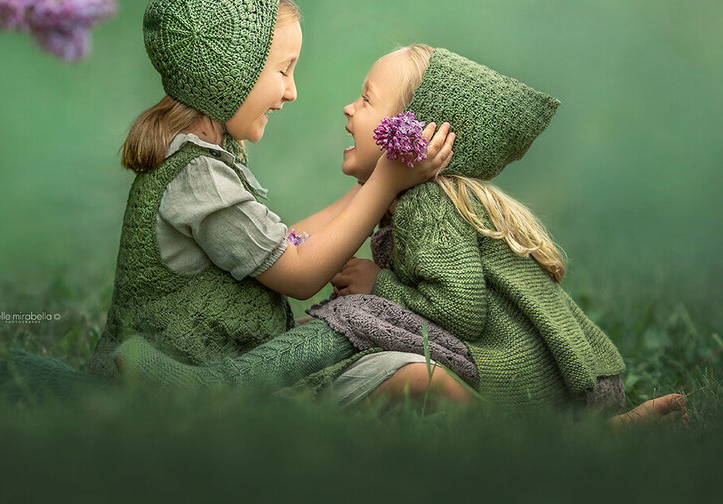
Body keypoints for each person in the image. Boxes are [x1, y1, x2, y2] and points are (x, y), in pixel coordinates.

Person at [118, 43, 688, 424]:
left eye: (366, 100)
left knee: (353, 317)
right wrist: (385, 191)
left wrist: (377, 285)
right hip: (537, 377)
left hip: (519, 372)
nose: (348, 108)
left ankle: (223, 385)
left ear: (407, 134)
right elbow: (290, 246)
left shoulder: (426, 206)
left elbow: (457, 309)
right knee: (368, 333)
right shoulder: (408, 200)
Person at [86, 0, 454, 399]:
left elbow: (283, 245)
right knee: (350, 324)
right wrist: (386, 183)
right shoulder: (198, 177)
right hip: (182, 377)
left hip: (220, 362)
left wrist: (371, 182)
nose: (292, 91)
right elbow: (298, 274)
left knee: (354, 330)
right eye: (283, 71)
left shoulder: (206, 159)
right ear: (230, 76)